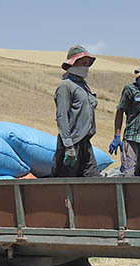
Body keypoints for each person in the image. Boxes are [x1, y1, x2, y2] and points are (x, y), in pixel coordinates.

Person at [52, 45, 100, 178]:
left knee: (93, 181)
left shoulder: (84, 86)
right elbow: (62, 116)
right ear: (73, 64)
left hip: (85, 142)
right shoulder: (66, 86)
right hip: (72, 144)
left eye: (87, 64)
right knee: (66, 185)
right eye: (83, 63)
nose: (86, 67)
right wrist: (68, 146)